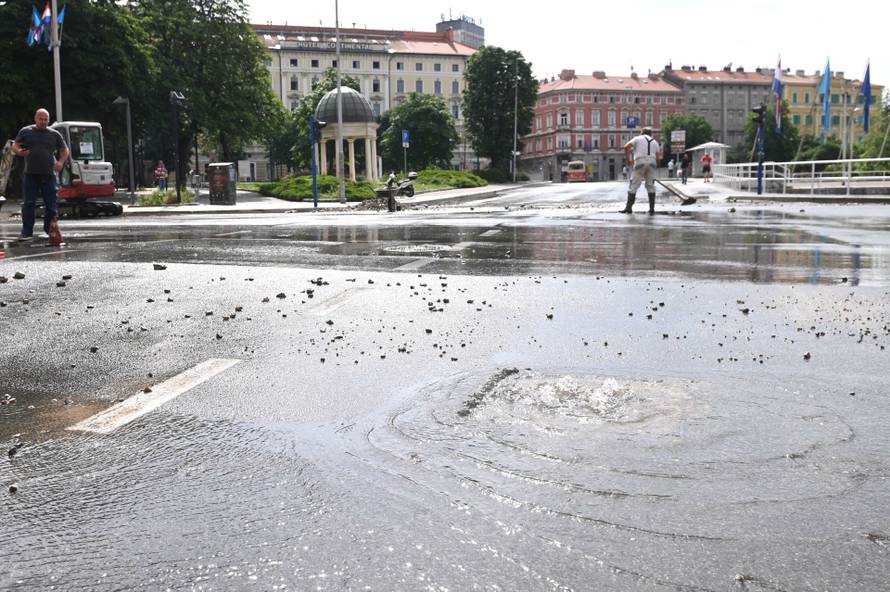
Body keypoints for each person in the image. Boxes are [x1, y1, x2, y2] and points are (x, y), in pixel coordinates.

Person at [11, 108, 69, 241]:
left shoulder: (54, 134)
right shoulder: (26, 131)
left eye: (45, 119)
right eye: (40, 119)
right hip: (30, 174)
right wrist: (19, 151)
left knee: (51, 205)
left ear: (48, 120)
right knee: (28, 203)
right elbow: (15, 145)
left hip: (49, 174)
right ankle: (27, 232)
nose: (43, 122)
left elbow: (65, 149)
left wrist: (60, 162)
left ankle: (49, 231)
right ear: (35, 119)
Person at [620, 127, 662, 214]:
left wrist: (628, 160)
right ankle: (651, 208)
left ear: (641, 133)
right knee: (650, 185)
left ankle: (628, 208)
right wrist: (656, 165)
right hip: (652, 163)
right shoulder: (655, 142)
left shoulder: (637, 139)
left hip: (640, 162)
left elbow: (626, 147)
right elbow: (658, 156)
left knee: (634, 185)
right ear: (650, 134)